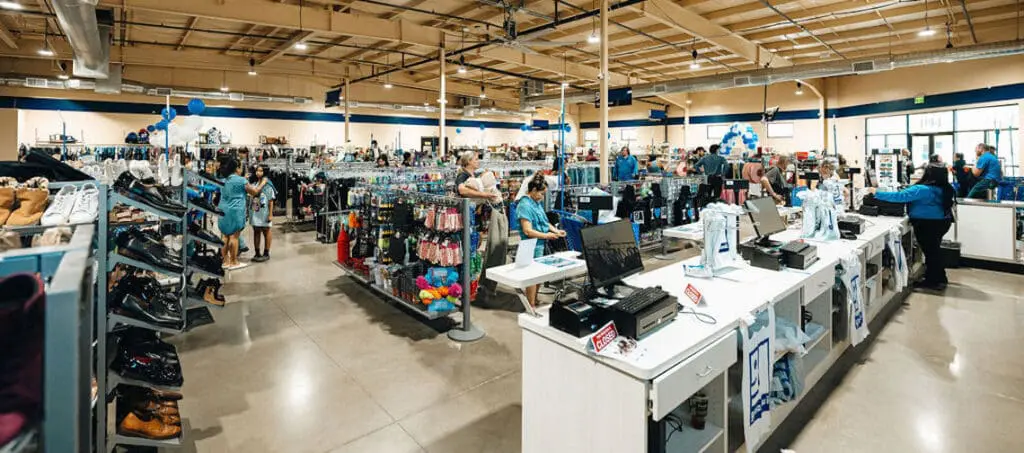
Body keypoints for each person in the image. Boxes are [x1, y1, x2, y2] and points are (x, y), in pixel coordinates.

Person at [869, 164, 955, 290]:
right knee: (934, 251)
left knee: (931, 252)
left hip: (928, 224)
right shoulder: (945, 188)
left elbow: (899, 196)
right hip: (941, 222)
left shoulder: (923, 189)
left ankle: (934, 281)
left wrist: (876, 192)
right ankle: (938, 277)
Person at [455, 151, 507, 303]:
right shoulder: (463, 175)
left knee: (473, 251)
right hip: (465, 219)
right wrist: (484, 195)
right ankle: (464, 288)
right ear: (468, 161)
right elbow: (462, 190)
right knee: (467, 252)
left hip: (473, 218)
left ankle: (470, 286)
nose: (478, 161)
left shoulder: (473, 175)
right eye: (476, 159)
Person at [516, 173, 566, 307]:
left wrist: (555, 231)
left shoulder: (535, 203)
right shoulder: (525, 205)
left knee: (538, 275)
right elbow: (528, 231)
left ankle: (534, 300)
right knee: (532, 276)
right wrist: (548, 236)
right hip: (531, 246)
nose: (542, 197)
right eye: (541, 194)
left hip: (540, 244)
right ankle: (530, 305)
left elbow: (544, 222)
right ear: (533, 190)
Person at [217, 157, 267, 270]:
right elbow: (254, 192)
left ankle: (225, 261)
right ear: (237, 168)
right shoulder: (241, 181)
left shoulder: (224, 180)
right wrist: (262, 183)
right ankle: (234, 262)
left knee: (225, 236)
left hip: (222, 209)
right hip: (235, 210)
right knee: (234, 236)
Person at [249, 164, 277, 262]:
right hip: (255, 210)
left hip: (264, 212)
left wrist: (270, 214)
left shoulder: (268, 184)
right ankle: (257, 253)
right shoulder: (255, 183)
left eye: (261, 171)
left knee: (266, 231)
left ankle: (266, 252)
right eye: (257, 170)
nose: (258, 173)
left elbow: (271, 201)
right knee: (256, 231)